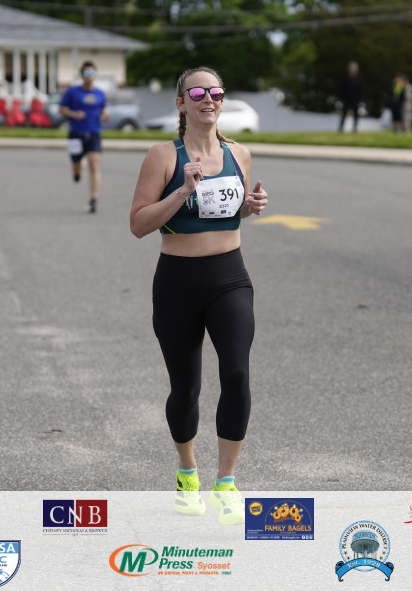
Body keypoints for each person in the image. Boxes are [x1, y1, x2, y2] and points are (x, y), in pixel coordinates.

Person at [129, 66, 268, 526]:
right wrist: (183, 190)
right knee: (186, 387)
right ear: (181, 103)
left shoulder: (239, 154)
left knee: (237, 374)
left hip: (230, 278)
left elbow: (226, 211)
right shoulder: (162, 156)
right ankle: (187, 471)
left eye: (216, 92)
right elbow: (139, 224)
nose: (209, 99)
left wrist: (248, 207)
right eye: (198, 93)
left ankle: (226, 481)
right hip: (178, 283)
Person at [58, 61, 109, 213]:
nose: (89, 76)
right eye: (87, 73)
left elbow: (103, 109)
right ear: (81, 75)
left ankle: (94, 199)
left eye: (92, 73)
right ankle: (77, 171)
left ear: (95, 75)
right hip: (75, 133)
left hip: (94, 133)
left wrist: (105, 115)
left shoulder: (100, 93)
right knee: (76, 165)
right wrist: (74, 114)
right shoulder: (72, 92)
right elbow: (61, 109)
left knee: (94, 163)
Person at [338, 61, 362, 133]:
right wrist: (342, 99)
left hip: (355, 100)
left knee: (356, 115)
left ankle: (354, 129)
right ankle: (341, 128)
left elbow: (360, 91)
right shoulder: (345, 78)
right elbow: (341, 89)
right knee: (344, 114)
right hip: (346, 100)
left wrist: (359, 100)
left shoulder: (358, 79)